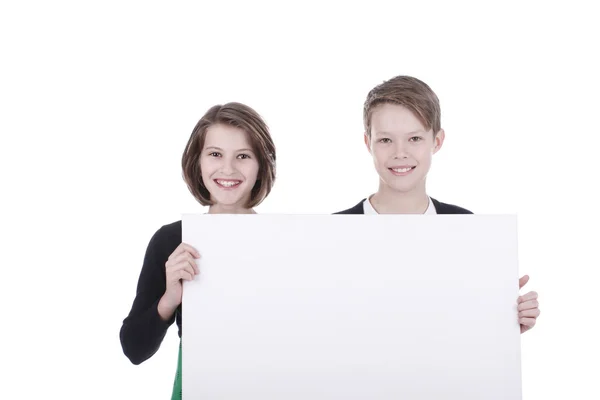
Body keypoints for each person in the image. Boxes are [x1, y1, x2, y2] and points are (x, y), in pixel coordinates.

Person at [334, 75, 540, 333]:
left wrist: (506, 322)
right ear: (368, 143)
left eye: (415, 139)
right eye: (386, 140)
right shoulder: (332, 232)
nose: (400, 152)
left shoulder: (468, 229)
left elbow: (469, 329)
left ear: (437, 141)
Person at [119, 102, 277, 399]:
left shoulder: (286, 241)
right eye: (215, 154)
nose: (227, 168)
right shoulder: (171, 240)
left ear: (261, 166)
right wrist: (170, 299)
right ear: (198, 162)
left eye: (243, 156)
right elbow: (134, 349)